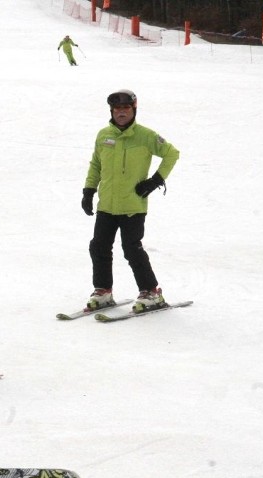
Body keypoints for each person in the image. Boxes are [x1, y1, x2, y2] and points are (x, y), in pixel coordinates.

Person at [81, 89, 180, 313]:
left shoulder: (145, 136)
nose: (121, 113)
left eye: (126, 109)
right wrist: (88, 191)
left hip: (133, 205)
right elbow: (96, 164)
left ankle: (151, 292)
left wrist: (154, 181)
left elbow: (172, 153)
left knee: (131, 249)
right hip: (106, 204)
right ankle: (103, 290)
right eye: (117, 109)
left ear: (133, 109)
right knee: (99, 247)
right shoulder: (103, 135)